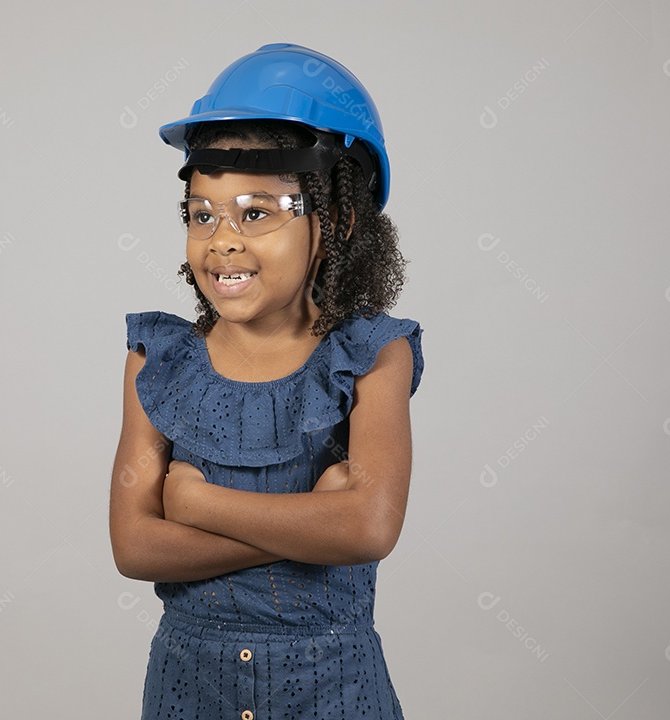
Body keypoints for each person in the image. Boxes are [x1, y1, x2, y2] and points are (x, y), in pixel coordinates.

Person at [110, 43, 424, 720]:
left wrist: (194, 505)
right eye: (201, 214)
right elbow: (134, 546)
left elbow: (366, 527)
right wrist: (311, 520)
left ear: (336, 218)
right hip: (189, 692)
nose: (221, 240)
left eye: (256, 212)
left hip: (334, 691)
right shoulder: (157, 361)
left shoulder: (373, 357)